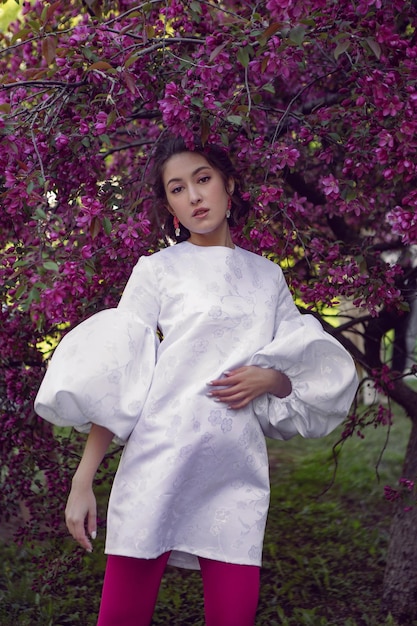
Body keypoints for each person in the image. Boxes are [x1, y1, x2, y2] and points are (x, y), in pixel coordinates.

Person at [35, 136, 358, 626]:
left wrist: (271, 378)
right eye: (178, 188)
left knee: (233, 616)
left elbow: (307, 375)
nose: (195, 197)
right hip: (157, 460)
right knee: (122, 616)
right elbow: (120, 375)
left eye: (203, 179)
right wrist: (83, 481)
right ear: (169, 205)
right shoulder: (157, 271)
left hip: (235, 471)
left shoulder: (267, 277)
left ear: (228, 183)